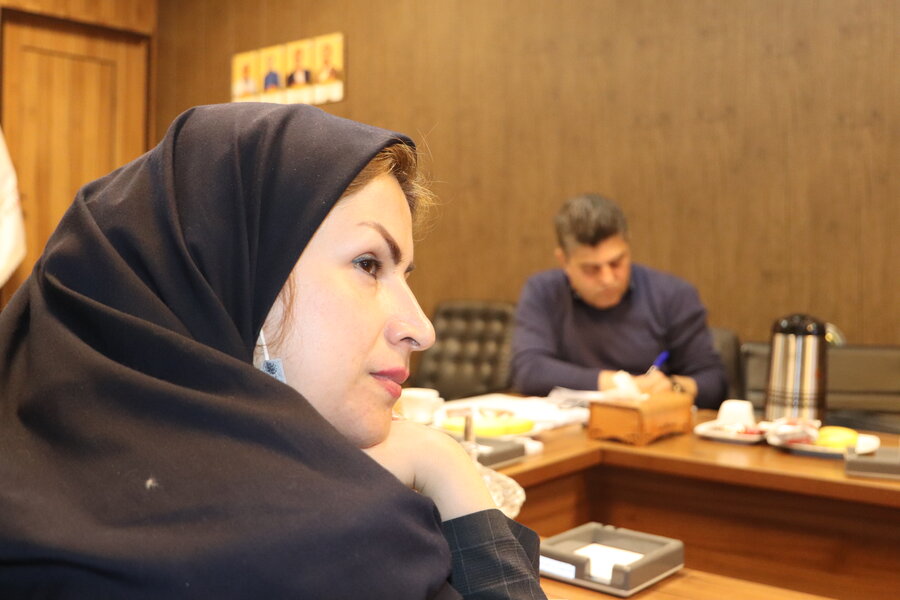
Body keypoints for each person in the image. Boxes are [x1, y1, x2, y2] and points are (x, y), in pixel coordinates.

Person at [0, 103, 546, 599]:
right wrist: (445, 465)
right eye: (368, 264)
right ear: (229, 272)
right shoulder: (338, 545)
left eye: (404, 274)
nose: (421, 329)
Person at [511, 193, 727, 409]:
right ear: (564, 261)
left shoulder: (673, 295)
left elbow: (714, 382)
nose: (607, 279)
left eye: (616, 263)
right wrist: (620, 383)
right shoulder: (543, 291)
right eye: (591, 269)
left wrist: (674, 386)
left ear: (628, 246)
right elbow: (529, 371)